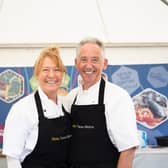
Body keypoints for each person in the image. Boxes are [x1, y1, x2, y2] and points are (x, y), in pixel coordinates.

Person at [63, 37, 139, 168]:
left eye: (95, 60)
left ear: (104, 63)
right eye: (83, 59)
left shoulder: (117, 97)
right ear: (76, 63)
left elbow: (128, 150)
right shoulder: (71, 97)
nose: (88, 65)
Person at [3, 46, 71, 168]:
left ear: (62, 75)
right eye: (45, 70)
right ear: (37, 74)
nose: (51, 75)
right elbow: (12, 160)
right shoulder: (22, 109)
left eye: (57, 70)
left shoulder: (66, 105)